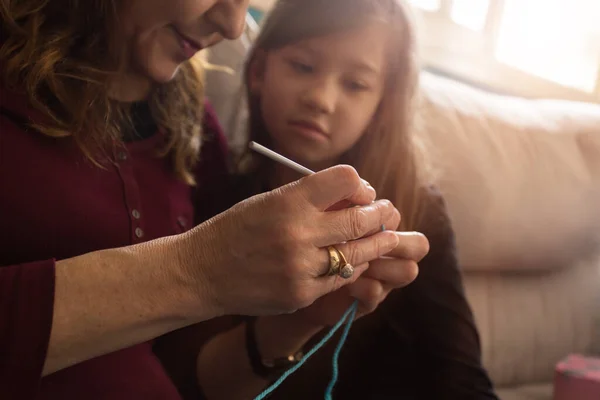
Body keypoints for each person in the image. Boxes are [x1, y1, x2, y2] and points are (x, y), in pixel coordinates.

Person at [0, 0, 428, 399]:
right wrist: (196, 270)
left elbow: (191, 376)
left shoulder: (191, 127)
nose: (233, 24)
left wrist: (300, 322)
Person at [160, 0, 498, 399]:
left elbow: (463, 379)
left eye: (355, 84)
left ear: (381, 107)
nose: (320, 99)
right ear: (258, 71)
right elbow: (184, 378)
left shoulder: (417, 210)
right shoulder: (220, 197)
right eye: (303, 66)